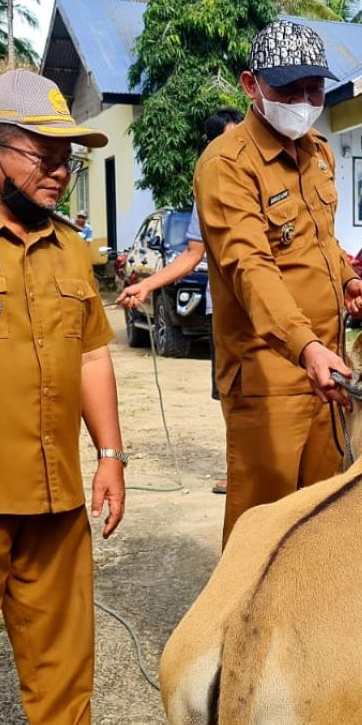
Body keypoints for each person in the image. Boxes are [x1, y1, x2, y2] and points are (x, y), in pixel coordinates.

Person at [0, 69, 126, 725]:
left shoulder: (70, 247)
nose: (60, 173)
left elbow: (92, 352)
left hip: (56, 506)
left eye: (68, 160)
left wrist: (111, 454)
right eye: (45, 157)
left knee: (65, 687)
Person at [194, 20, 362, 546]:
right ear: (251, 86)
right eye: (288, 88)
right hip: (268, 376)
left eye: (313, 88)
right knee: (264, 528)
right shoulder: (226, 166)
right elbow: (250, 267)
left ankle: (312, 624)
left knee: (321, 516)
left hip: (328, 369)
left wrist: (348, 279)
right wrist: (306, 346)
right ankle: (244, 628)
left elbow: (318, 240)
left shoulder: (319, 153)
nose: (303, 100)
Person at [119, 107, 243, 493]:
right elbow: (192, 254)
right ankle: (239, 470)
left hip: (270, 311)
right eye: (231, 139)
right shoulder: (207, 188)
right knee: (230, 394)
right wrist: (148, 285)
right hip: (226, 310)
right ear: (211, 145)